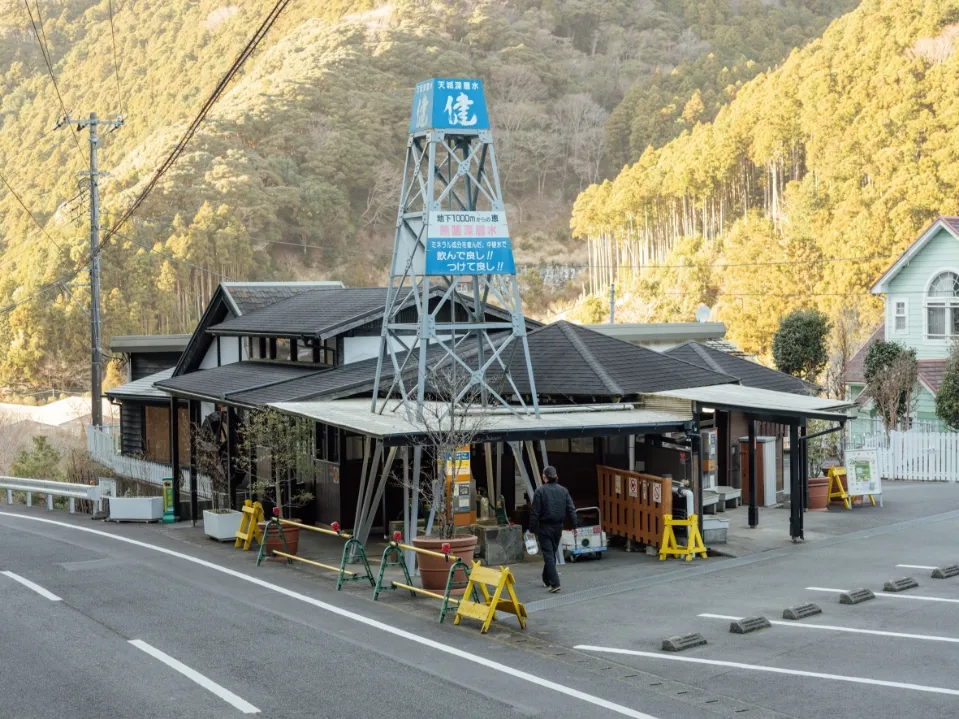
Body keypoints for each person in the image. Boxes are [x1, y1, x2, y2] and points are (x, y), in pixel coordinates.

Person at [529, 465, 576, 593]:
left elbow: (535, 513)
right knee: (551, 553)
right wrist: (574, 526)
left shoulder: (540, 492)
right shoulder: (563, 491)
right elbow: (571, 509)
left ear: (544, 477)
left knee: (549, 555)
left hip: (544, 527)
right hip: (558, 527)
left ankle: (555, 583)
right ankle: (546, 579)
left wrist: (531, 529)